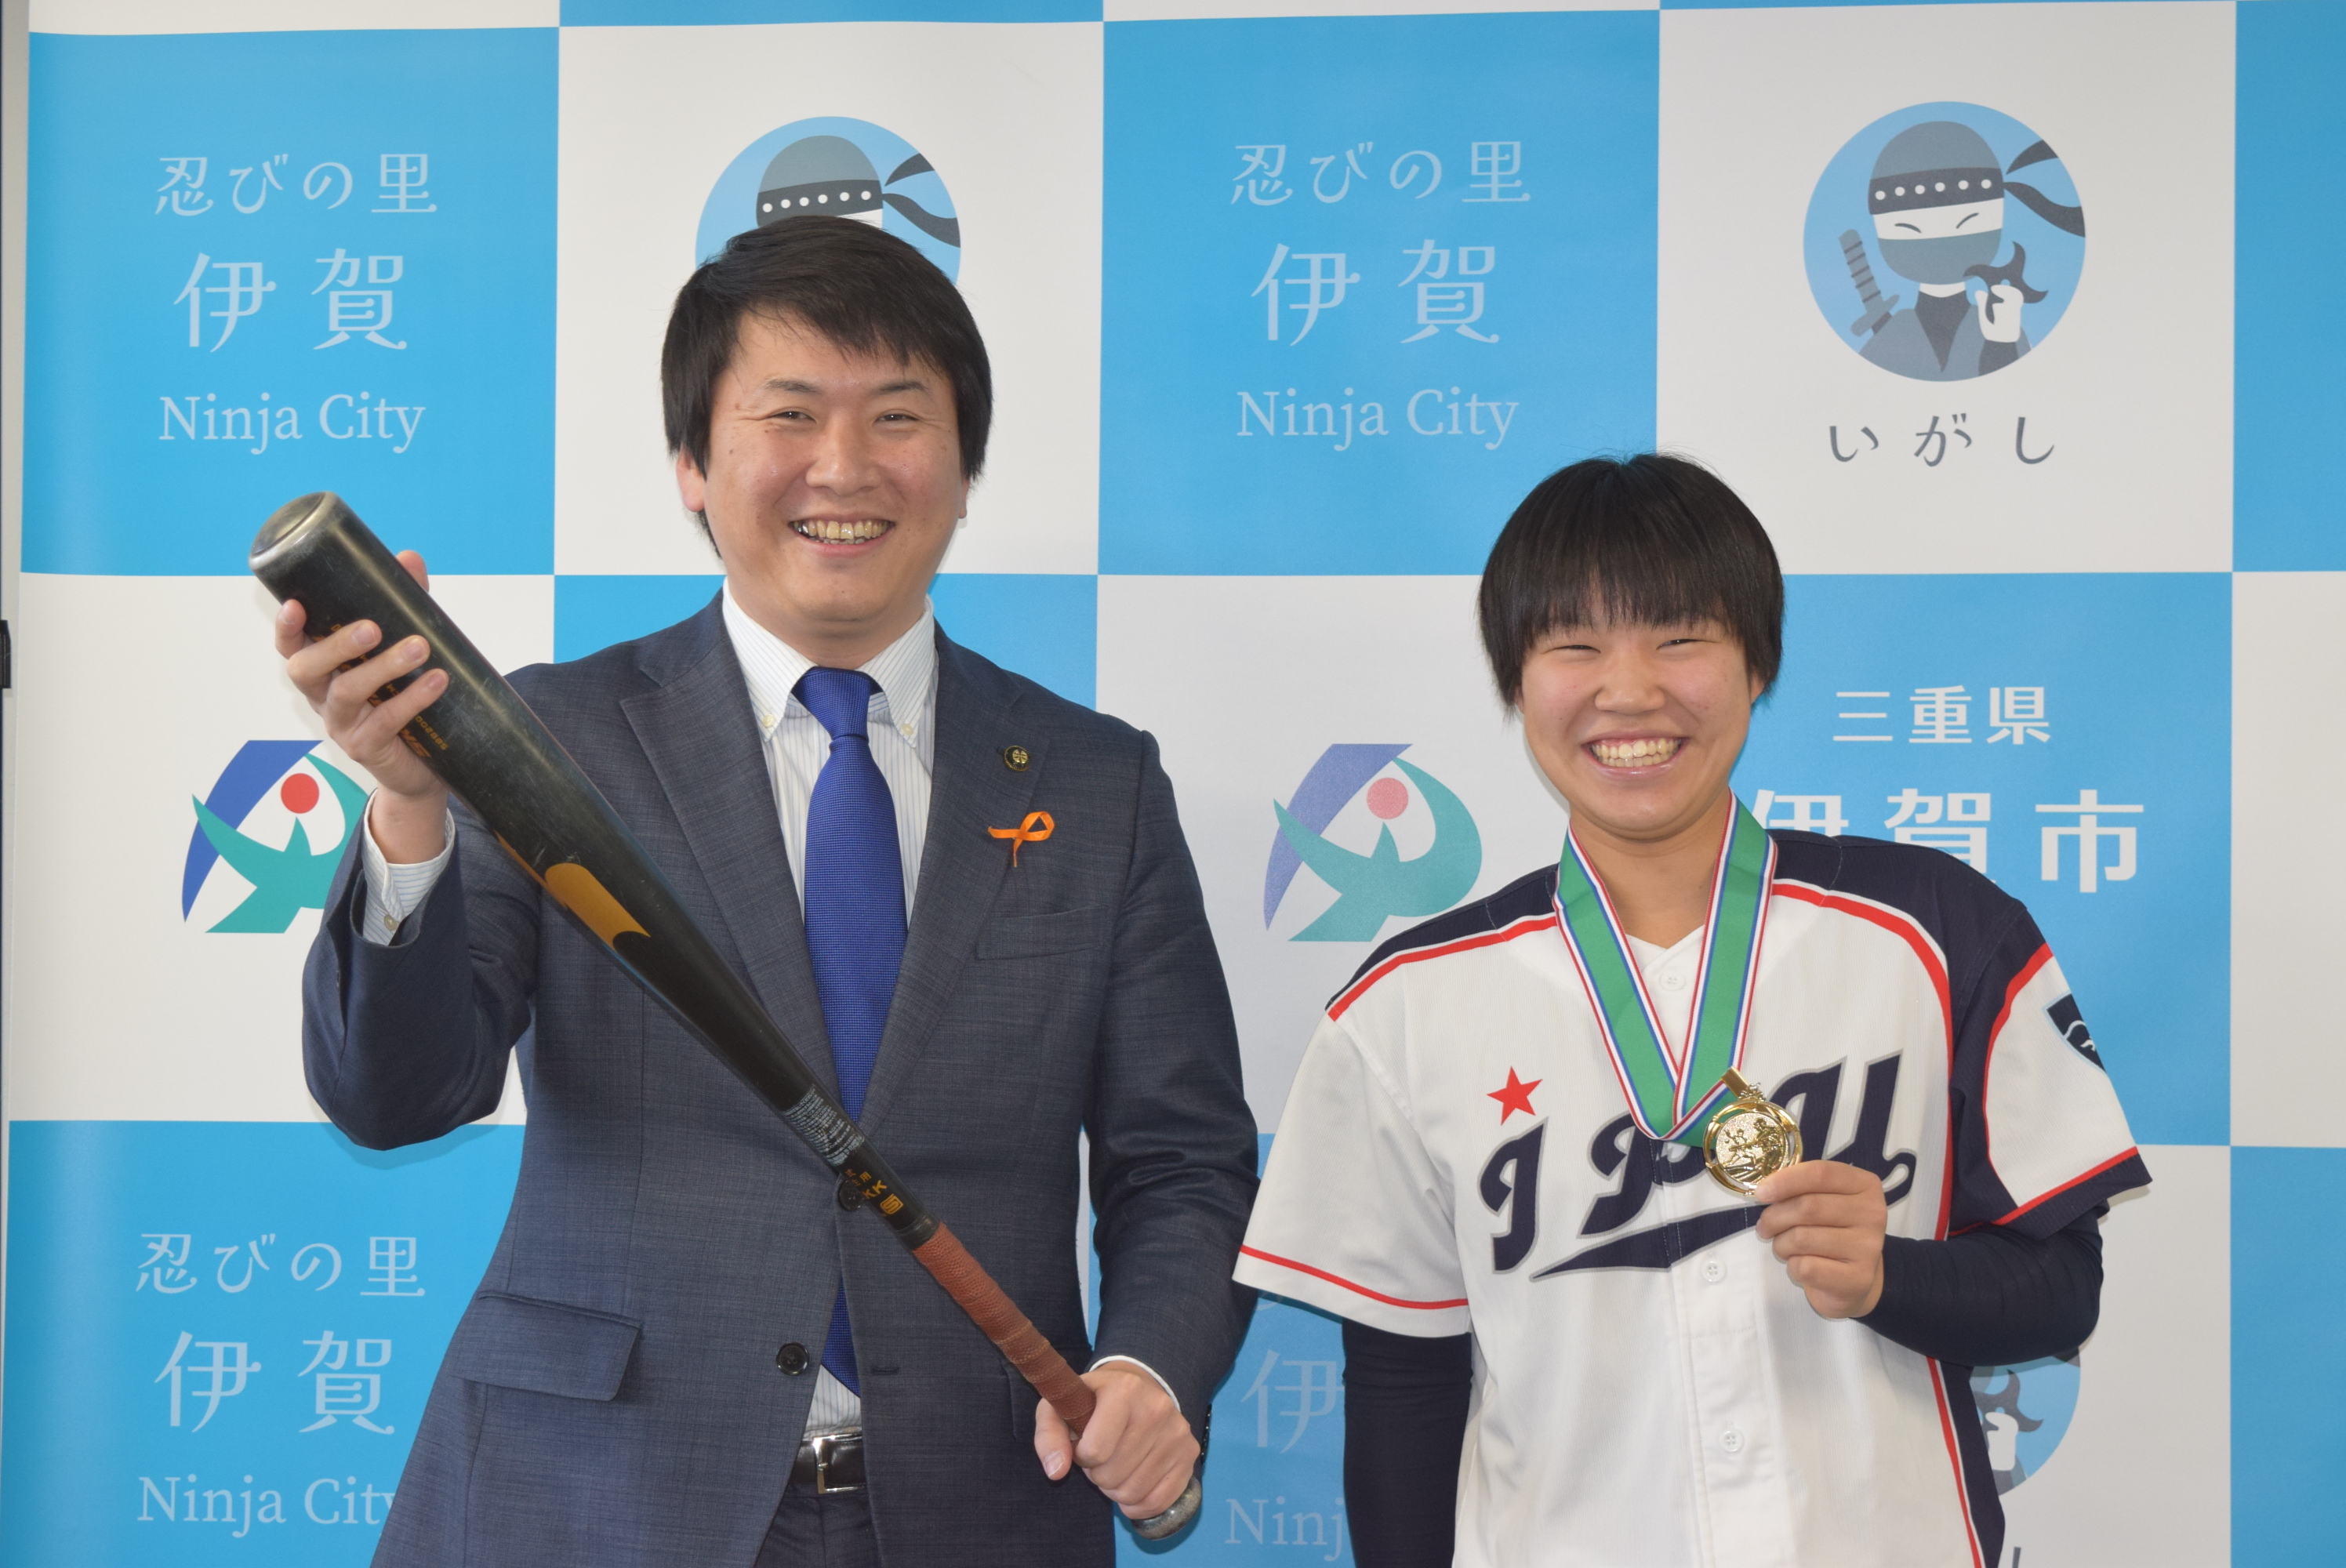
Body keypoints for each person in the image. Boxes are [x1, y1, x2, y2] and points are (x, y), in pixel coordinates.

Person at [279, 216, 1257, 1566]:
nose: (843, 467)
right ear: (692, 464)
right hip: (593, 1498)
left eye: (897, 416)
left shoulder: (1100, 783)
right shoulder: (543, 742)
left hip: (979, 1499)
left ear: (965, 465)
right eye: (789, 414)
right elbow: (395, 1097)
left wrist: (1147, 1368)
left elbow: (1184, 1160)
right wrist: (410, 803)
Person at [1234, 454, 2145, 1568]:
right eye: (1575, 645)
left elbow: (2062, 1287)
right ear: (1515, 680)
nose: (1628, 691)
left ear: (1757, 664)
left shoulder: (1938, 928)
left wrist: (1891, 1276)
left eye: (1678, 638)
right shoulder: (1406, 1003)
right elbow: (1404, 1380)